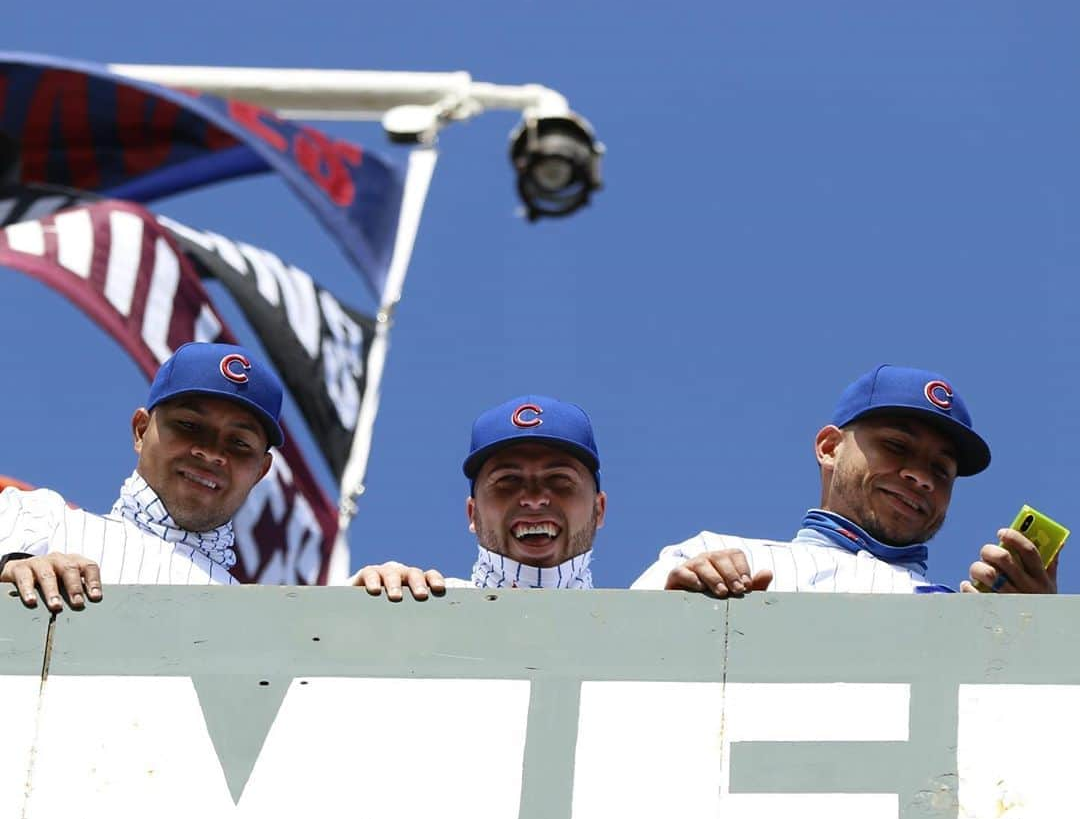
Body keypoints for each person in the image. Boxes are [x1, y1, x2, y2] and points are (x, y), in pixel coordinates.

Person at [633, 364, 1058, 596]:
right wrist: (676, 613)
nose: (920, 477)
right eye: (896, 447)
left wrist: (1037, 636)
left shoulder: (971, 617)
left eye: (941, 470)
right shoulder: (714, 555)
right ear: (828, 447)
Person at [0, 341, 282, 611]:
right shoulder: (38, 521)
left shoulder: (261, 620)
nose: (210, 453)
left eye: (239, 443)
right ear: (141, 430)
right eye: (188, 425)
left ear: (260, 472)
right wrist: (7, 570)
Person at [351, 395, 607, 600]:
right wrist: (355, 604)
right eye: (508, 481)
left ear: (600, 509)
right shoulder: (419, 607)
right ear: (472, 513)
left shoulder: (640, 632)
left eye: (559, 480)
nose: (534, 498)